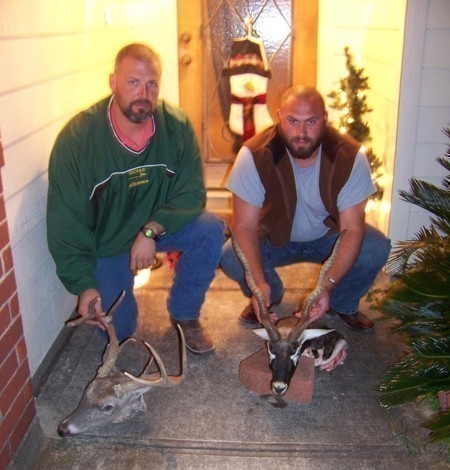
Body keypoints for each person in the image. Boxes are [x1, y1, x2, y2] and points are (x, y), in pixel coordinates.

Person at [47, 43, 225, 354]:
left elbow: (192, 193)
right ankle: (117, 303)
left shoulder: (176, 127)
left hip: (156, 227)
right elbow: (67, 224)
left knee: (210, 229)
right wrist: (84, 285)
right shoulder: (77, 141)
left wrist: (151, 230)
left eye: (151, 83)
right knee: (122, 333)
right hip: (108, 243)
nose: (143, 93)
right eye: (133, 82)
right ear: (113, 81)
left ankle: (185, 313)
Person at [220, 85, 391, 331]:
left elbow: (352, 230)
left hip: (329, 239)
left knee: (375, 248)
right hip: (274, 238)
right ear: (279, 117)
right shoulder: (254, 155)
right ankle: (269, 295)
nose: (301, 132)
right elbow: (244, 226)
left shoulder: (350, 156)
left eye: (310, 121)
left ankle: (341, 303)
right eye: (292, 121)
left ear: (325, 119)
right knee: (230, 256)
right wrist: (258, 282)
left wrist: (326, 286)